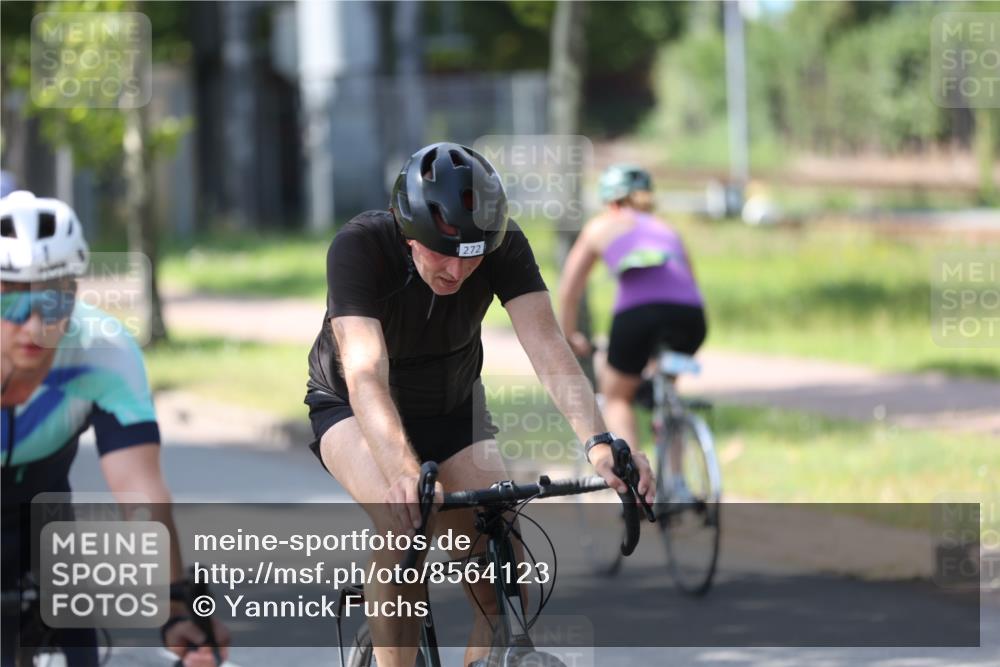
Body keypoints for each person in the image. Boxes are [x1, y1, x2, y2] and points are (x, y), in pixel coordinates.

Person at [305, 142, 655, 667]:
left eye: (473, 256)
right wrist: (404, 472)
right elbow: (365, 371)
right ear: (407, 233)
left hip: (452, 410)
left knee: (502, 570)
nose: (457, 273)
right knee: (405, 531)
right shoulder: (360, 248)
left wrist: (600, 441)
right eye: (443, 254)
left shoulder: (503, 246)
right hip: (354, 409)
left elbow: (548, 348)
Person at [0, 191, 229, 666]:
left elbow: (141, 492)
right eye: (12, 302)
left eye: (54, 297)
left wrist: (174, 606)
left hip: (43, 526)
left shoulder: (103, 351)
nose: (36, 324)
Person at [558, 165, 707, 500]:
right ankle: (679, 484)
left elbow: (569, 289)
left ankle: (636, 487)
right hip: (691, 317)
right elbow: (690, 281)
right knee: (666, 389)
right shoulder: (666, 227)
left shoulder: (601, 225)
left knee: (617, 396)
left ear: (610, 202)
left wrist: (570, 333)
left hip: (638, 315)